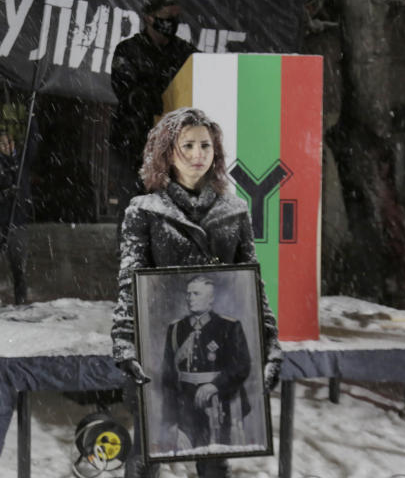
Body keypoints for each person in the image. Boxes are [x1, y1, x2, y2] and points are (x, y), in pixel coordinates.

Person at [110, 107, 282, 478]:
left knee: (214, 459)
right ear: (167, 153)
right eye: (187, 145)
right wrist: (124, 342)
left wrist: (269, 342)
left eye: (205, 145)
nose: (197, 154)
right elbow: (129, 284)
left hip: (216, 370)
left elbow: (253, 285)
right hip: (160, 360)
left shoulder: (234, 210)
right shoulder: (144, 211)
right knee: (145, 456)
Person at [110, 0, 200, 214]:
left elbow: (206, 73)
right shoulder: (129, 50)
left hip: (174, 147)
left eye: (176, 18)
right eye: (167, 17)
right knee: (135, 208)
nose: (172, 23)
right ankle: (131, 249)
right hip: (134, 143)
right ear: (149, 17)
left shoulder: (185, 52)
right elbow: (129, 92)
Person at [160, 276, 252, 450]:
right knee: (186, 452)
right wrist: (170, 418)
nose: (190, 298)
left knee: (218, 452)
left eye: (196, 294)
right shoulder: (176, 329)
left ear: (211, 299)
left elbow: (241, 366)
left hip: (220, 401)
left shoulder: (228, 327)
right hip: (185, 403)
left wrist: (215, 386)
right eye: (188, 294)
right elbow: (168, 376)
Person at [0, 125, 39, 304]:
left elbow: (33, 144)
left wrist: (32, 118)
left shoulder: (21, 166)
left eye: (10, 142)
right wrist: (3, 194)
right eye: (2, 143)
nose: (7, 146)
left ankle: (21, 303)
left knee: (19, 271)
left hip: (18, 225)